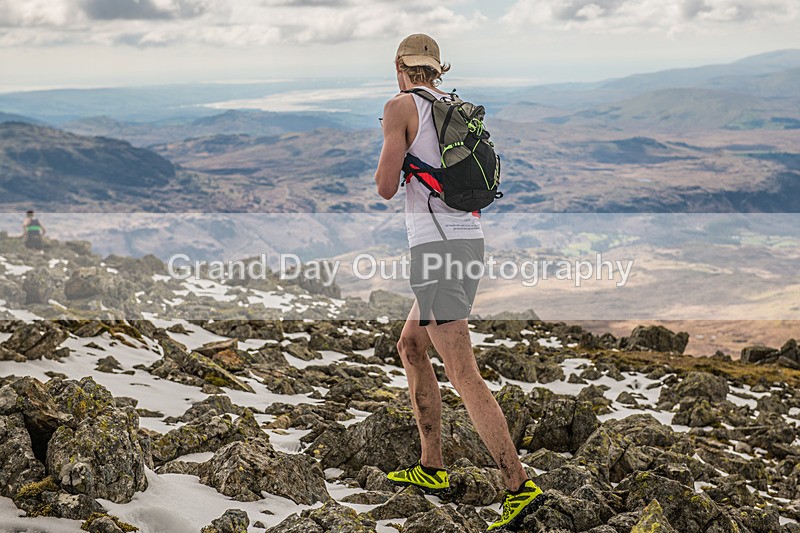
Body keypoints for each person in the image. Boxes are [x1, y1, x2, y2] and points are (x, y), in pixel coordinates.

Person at [373, 34, 547, 531]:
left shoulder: (400, 106)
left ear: (400, 68)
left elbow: (386, 187)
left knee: (463, 372)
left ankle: (519, 487)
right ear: (437, 70)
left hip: (437, 250)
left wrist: (397, 149)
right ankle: (432, 467)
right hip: (465, 242)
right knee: (410, 344)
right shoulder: (454, 107)